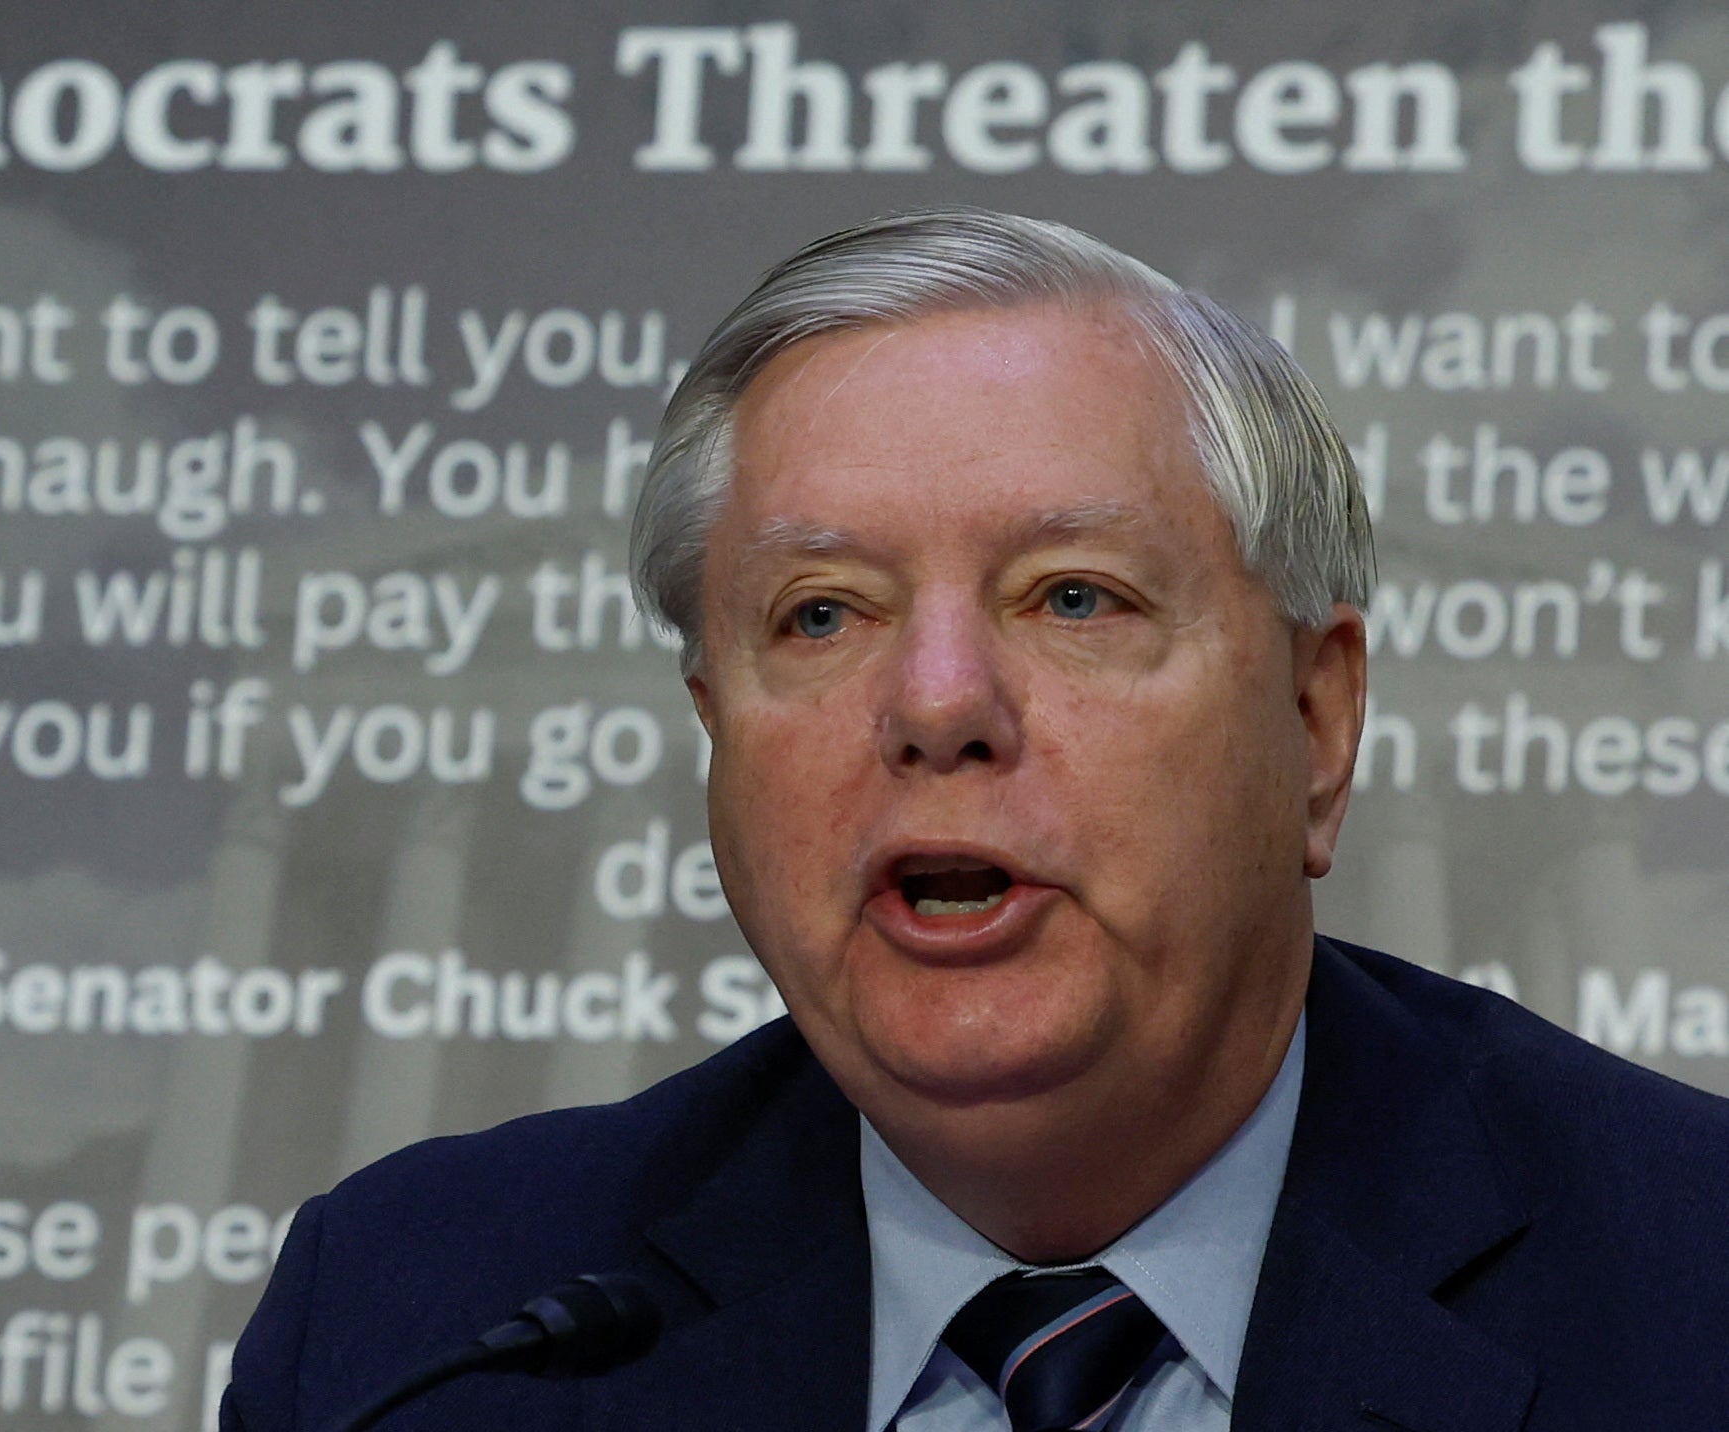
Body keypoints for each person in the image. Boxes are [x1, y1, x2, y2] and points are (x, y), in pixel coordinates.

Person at [223, 210, 1729, 1431]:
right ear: (714, 743)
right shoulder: (409, 1334)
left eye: (1075, 597)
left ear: (1317, 724)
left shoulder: (1691, 1287)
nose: (936, 703)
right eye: (822, 615)